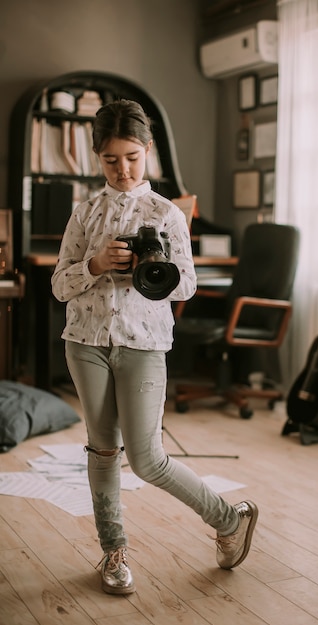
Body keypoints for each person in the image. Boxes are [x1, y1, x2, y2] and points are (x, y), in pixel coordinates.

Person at [51, 99, 258, 595]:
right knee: (102, 451)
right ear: (96, 158)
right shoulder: (86, 212)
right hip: (85, 343)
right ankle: (113, 553)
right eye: (110, 160)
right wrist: (97, 264)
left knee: (147, 459)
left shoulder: (166, 213)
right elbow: (60, 285)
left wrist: (152, 269)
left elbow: (186, 285)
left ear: (148, 151)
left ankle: (229, 519)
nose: (122, 170)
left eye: (132, 158)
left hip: (144, 345)